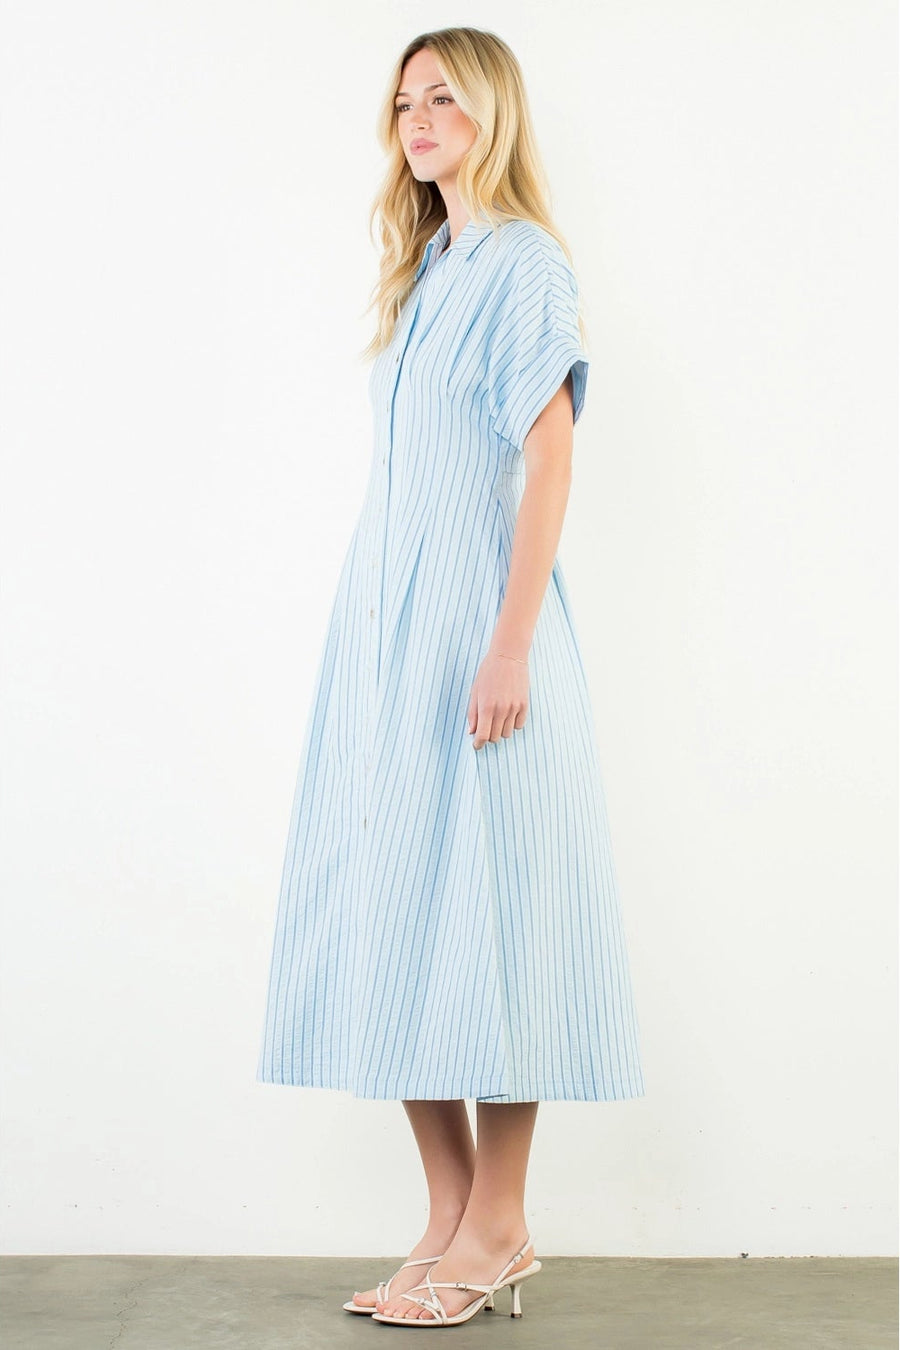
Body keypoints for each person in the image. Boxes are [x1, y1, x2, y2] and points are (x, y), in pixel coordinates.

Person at [256, 26, 646, 1328]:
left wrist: (512, 639)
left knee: (494, 915)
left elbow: (549, 458)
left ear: (492, 115)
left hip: (480, 629)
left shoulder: (527, 265)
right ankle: (448, 1209)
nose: (419, 117)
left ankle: (502, 1220)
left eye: (445, 98)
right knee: (390, 908)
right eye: (405, 99)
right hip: (385, 636)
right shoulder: (425, 266)